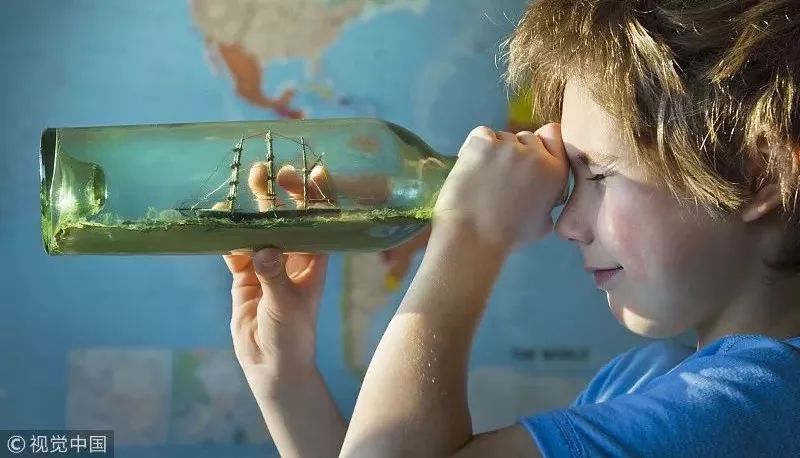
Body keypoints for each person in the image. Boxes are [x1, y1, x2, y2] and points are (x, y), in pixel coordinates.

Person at [224, 0, 800, 456]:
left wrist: (471, 235)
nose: (568, 223)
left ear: (761, 175)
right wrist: (287, 379)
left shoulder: (750, 401)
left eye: (600, 173)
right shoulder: (647, 379)